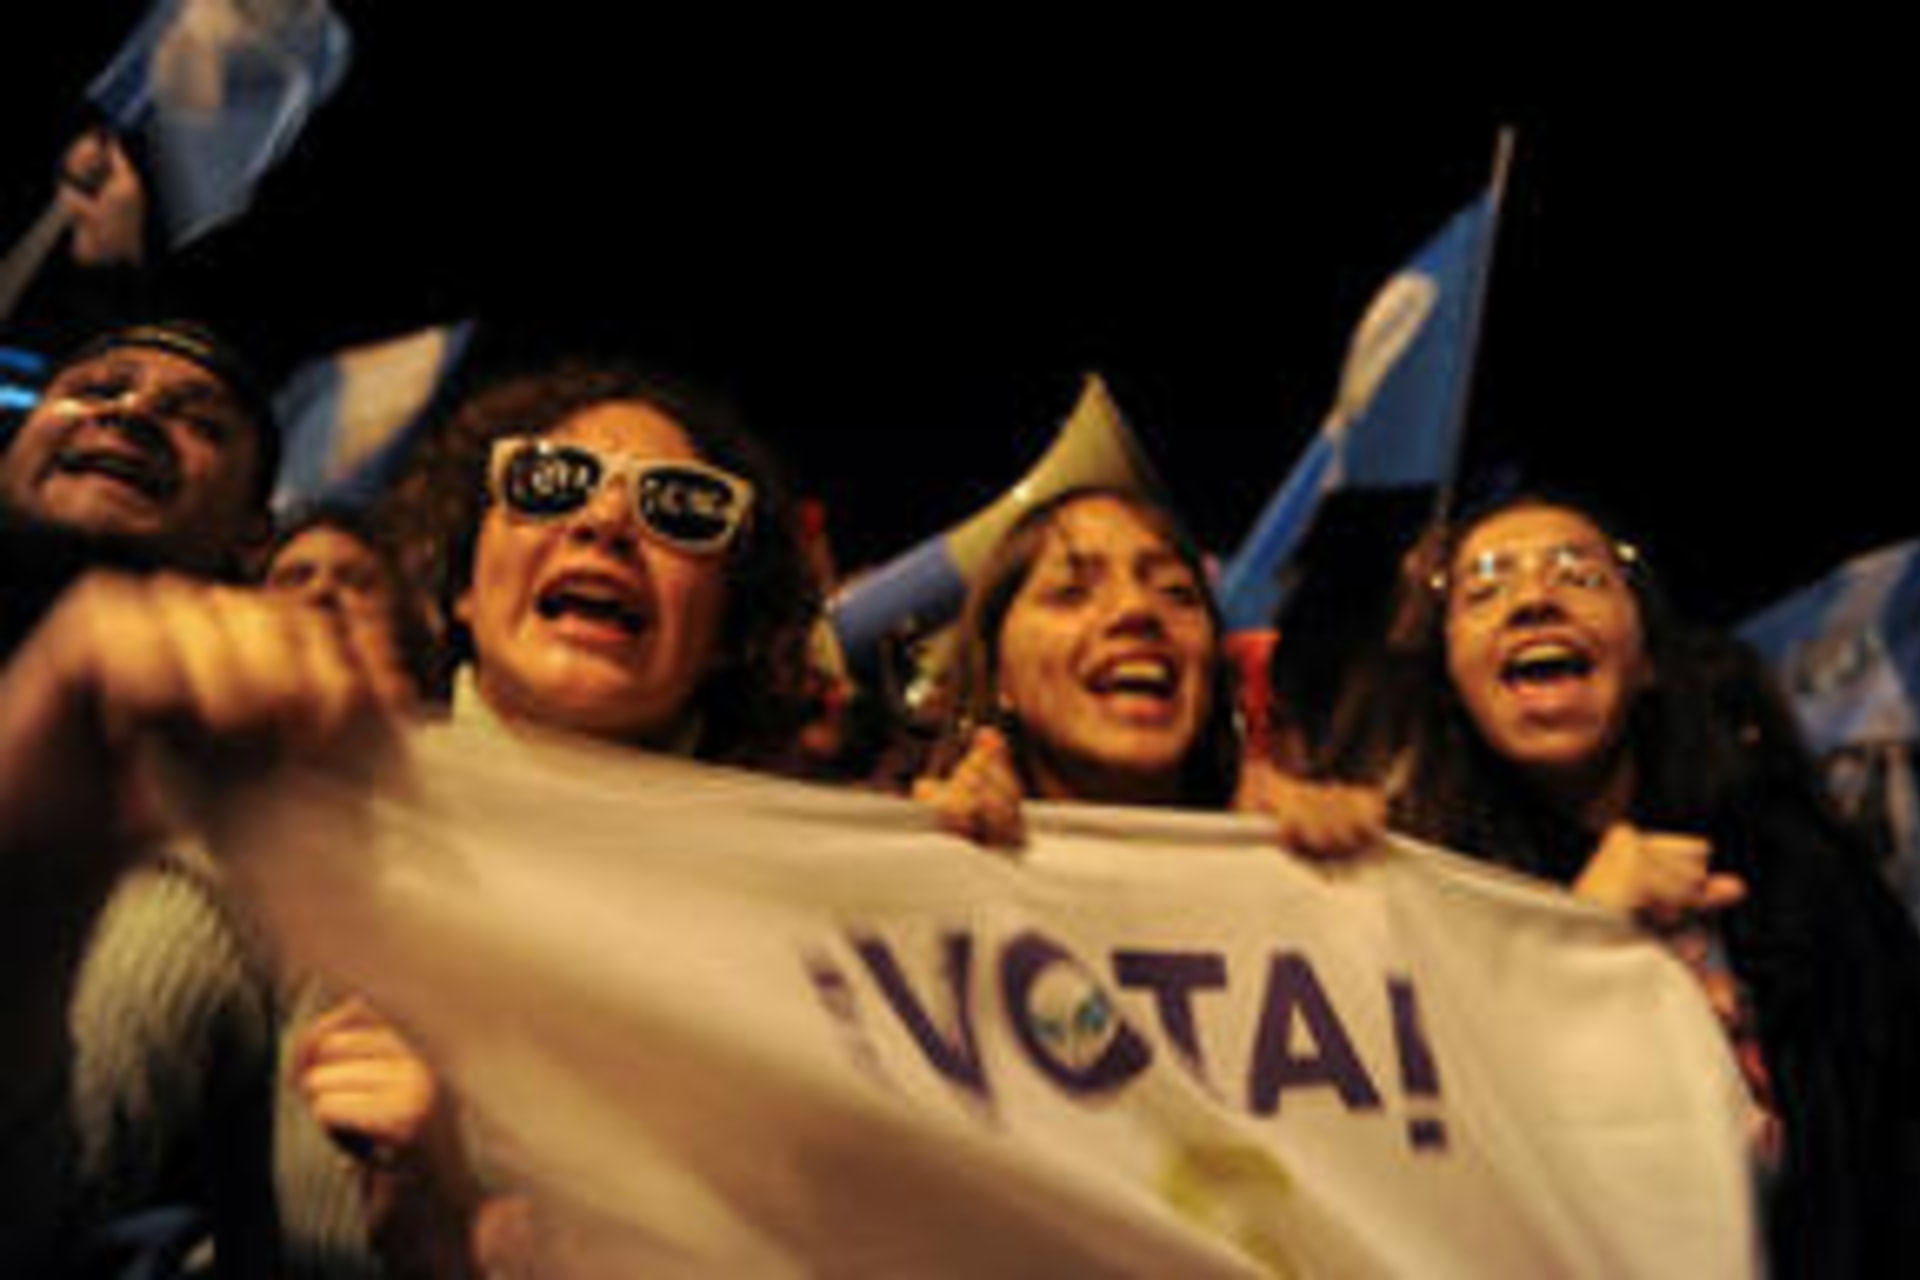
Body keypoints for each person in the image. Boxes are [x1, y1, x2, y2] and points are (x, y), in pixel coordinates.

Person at [1325, 492, 1920, 1280]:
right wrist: (1580, 929)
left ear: (1646, 662)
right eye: (1486, 589)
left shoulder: (1794, 868)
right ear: (1451, 681)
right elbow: (1419, 1167)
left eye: (1580, 574)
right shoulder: (1407, 897)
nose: (1535, 600)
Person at [0, 318, 415, 1275]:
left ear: (251, 536)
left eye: (198, 420)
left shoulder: (251, 799)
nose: (131, 413)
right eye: (98, 386)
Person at [911, 485, 1383, 855]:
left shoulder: (1281, 854)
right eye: (1072, 592)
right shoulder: (931, 860)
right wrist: (935, 859)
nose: (1137, 608)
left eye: (1176, 592)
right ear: (999, 676)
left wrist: (1342, 870)